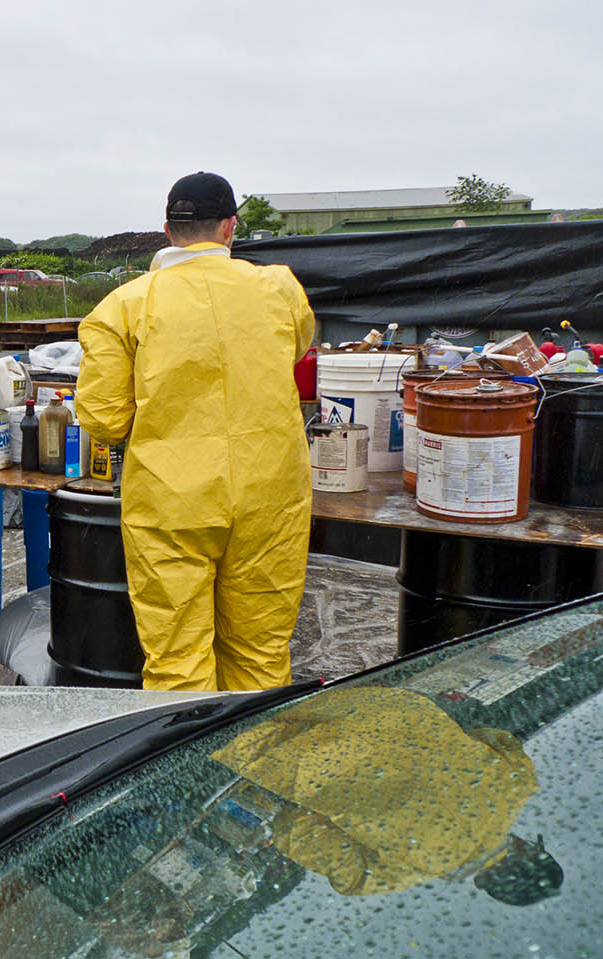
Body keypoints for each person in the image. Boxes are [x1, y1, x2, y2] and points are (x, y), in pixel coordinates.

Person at [75, 171, 315, 691]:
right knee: (260, 650)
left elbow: (104, 420)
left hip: (171, 502)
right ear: (231, 228)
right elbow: (292, 352)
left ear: (167, 228)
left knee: (177, 658)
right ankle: (255, 765)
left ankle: (186, 768)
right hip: (270, 494)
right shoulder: (279, 289)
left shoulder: (122, 306)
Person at [212, 686, 562, 904]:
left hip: (351, 696)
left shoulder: (517, 783)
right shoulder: (397, 873)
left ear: (526, 847)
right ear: (484, 882)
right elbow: (294, 829)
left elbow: (487, 733)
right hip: (270, 747)